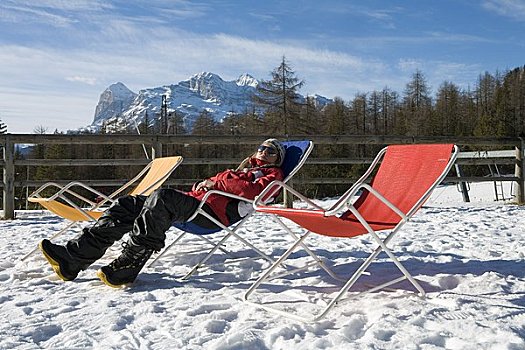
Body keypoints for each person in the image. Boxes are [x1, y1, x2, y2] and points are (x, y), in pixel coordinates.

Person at [39, 139, 286, 287]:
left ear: (277, 160)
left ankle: (129, 264)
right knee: (128, 204)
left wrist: (215, 184)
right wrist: (204, 184)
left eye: (271, 151)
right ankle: (73, 259)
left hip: (211, 216)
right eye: (261, 148)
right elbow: (217, 183)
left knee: (163, 197)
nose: (264, 152)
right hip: (196, 204)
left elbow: (251, 192)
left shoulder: (272, 176)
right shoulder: (240, 170)